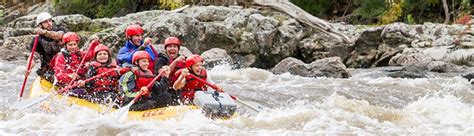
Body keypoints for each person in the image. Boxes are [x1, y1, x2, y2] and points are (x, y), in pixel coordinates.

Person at [26, 12, 66, 82]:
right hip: (48, 70)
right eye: (45, 22)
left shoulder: (60, 30)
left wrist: (44, 32)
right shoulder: (37, 39)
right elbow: (33, 56)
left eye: (50, 20)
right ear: (40, 25)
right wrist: (28, 68)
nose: (49, 23)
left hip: (63, 66)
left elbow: (59, 36)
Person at [154, 36, 187, 102]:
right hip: (162, 90)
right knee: (167, 96)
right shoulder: (160, 60)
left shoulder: (183, 60)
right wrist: (175, 62)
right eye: (169, 46)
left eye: (175, 46)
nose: (172, 48)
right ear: (166, 49)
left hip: (178, 88)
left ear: (178, 49)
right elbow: (163, 74)